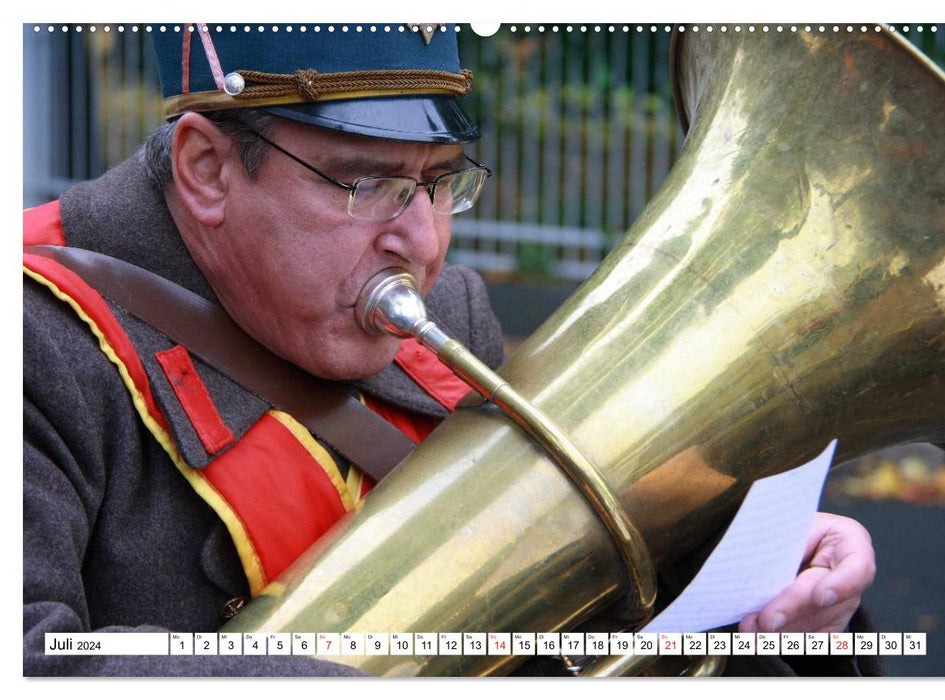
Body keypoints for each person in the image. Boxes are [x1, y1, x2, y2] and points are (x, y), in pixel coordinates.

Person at [23, 23, 876, 677]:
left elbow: (568, 623)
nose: (423, 243)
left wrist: (770, 594)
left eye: (440, 183)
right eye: (368, 184)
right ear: (208, 168)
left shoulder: (451, 319)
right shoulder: (32, 335)